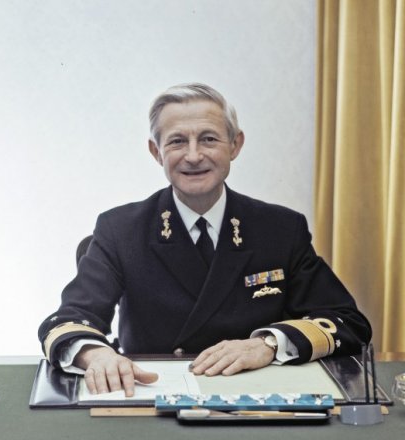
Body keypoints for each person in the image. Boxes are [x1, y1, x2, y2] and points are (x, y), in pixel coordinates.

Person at [38, 83, 371, 397]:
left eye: (209, 139)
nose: (194, 156)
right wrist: (97, 355)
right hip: (153, 393)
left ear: (235, 145)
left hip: (255, 399)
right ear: (156, 152)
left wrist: (268, 344)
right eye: (177, 142)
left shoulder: (281, 229)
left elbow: (347, 322)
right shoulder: (120, 229)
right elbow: (67, 321)